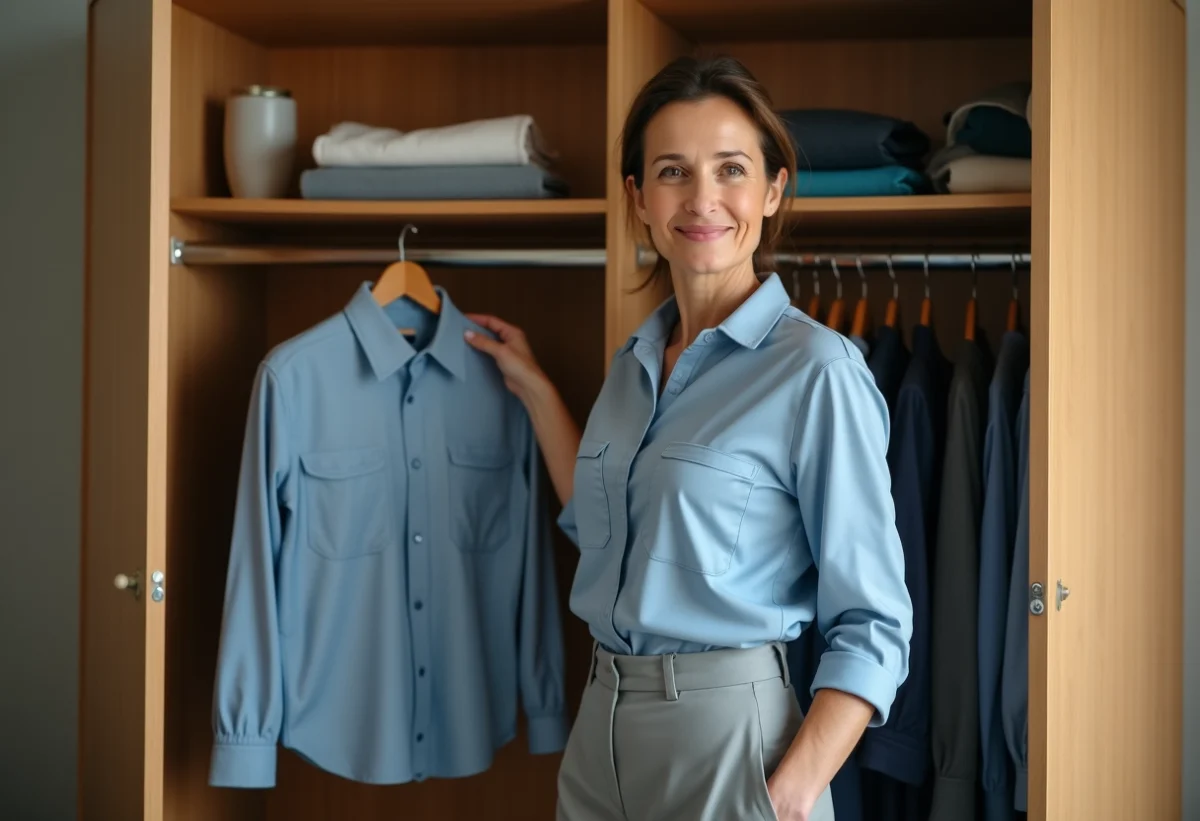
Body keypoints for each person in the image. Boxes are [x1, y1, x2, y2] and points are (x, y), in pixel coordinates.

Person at [463, 55, 912, 821]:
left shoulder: (816, 371)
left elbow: (875, 624)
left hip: (729, 744)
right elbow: (606, 523)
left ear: (772, 190)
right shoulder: (635, 362)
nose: (703, 198)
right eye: (673, 171)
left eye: (731, 169)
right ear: (638, 196)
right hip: (599, 732)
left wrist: (789, 794)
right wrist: (536, 390)